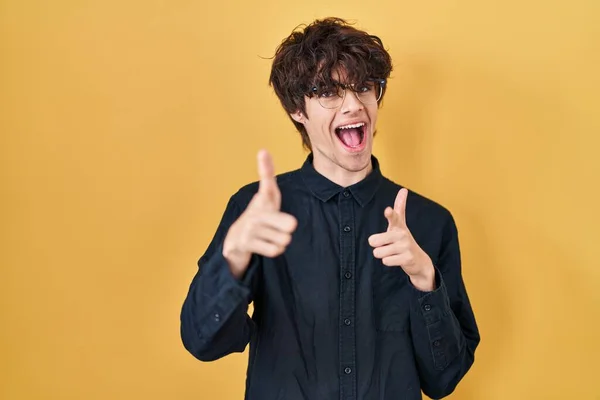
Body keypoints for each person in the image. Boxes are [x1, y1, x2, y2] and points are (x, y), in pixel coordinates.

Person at [180, 17, 480, 400]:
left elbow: (444, 380)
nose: (354, 105)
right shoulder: (256, 211)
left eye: (364, 88)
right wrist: (234, 257)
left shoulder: (429, 222)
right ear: (297, 110)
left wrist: (425, 279)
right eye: (329, 92)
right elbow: (203, 341)